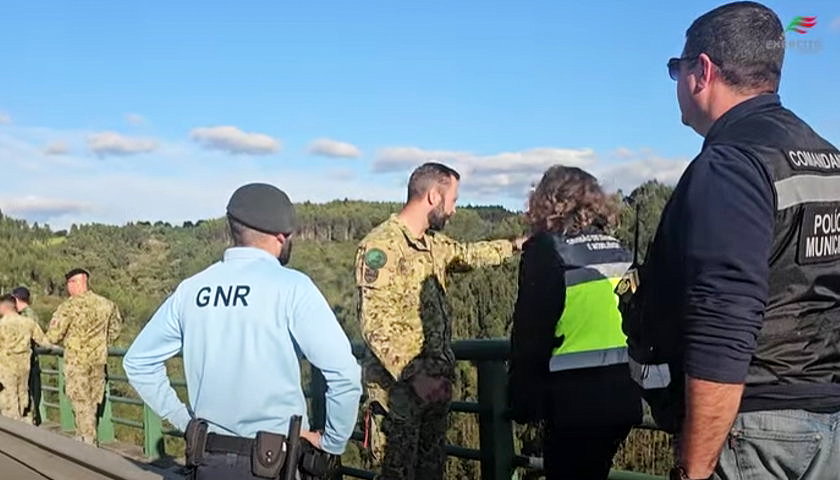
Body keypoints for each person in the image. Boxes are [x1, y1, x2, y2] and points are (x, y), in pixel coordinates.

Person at [619, 2, 840, 479]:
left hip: (756, 433)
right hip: (828, 423)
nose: (676, 82)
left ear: (702, 71)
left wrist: (693, 469)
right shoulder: (828, 157)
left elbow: (723, 322)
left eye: (676, 68)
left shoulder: (731, 165)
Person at [124, 183, 362, 480]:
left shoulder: (192, 289)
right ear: (282, 235)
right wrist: (332, 443)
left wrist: (186, 422)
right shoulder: (292, 287)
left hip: (207, 461)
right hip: (275, 463)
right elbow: (344, 375)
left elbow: (137, 362)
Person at [356, 162, 526, 480]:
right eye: (454, 200)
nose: (455, 210)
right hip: (399, 398)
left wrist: (515, 246)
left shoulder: (433, 244)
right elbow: (374, 324)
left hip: (434, 391)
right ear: (434, 196)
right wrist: (415, 376)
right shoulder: (381, 247)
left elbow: (469, 254)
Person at [508, 166, 641, 480]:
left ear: (547, 203)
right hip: (623, 397)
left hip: (572, 402)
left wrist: (521, 400)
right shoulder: (619, 251)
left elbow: (531, 333)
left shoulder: (548, 249)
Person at [47, 268, 123, 444]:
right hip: (98, 361)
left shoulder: (68, 307)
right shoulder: (106, 304)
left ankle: (87, 444)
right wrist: (101, 345)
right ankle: (88, 439)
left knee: (81, 403)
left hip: (76, 362)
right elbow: (115, 330)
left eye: (69, 283)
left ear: (75, 283)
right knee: (93, 403)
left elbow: (54, 335)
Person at [0, 294, 51, 420]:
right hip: (24, 367)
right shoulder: (29, 323)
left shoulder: (1, 325)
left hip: (5, 368)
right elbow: (44, 341)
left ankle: (12, 428)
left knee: (8, 398)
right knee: (23, 395)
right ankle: (24, 423)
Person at [11, 286, 44, 425]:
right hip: (28, 360)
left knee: (26, 393)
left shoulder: (26, 316)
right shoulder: (30, 314)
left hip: (25, 360)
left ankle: (27, 420)